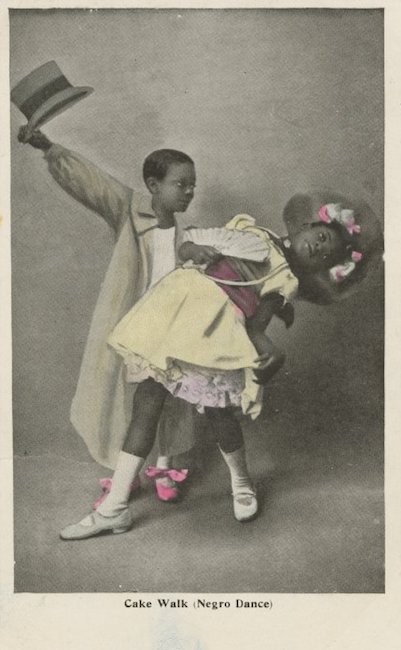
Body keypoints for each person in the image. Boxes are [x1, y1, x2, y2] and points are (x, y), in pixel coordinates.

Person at [58, 190, 383, 540]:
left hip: (218, 332)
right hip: (177, 318)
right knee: (147, 403)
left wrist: (270, 349)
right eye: (320, 238)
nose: (318, 248)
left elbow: (258, 324)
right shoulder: (248, 230)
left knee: (220, 415)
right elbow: (188, 246)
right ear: (306, 225)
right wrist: (193, 251)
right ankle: (115, 508)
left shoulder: (284, 279)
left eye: (325, 255)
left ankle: (242, 484)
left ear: (321, 268)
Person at [17, 126, 205, 504]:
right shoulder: (128, 210)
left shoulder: (187, 234)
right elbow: (91, 182)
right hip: (137, 327)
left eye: (192, 186)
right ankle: (127, 475)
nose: (189, 192)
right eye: (181, 184)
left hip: (174, 327)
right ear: (153, 184)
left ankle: (166, 465)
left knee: (175, 398)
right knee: (125, 399)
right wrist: (50, 149)